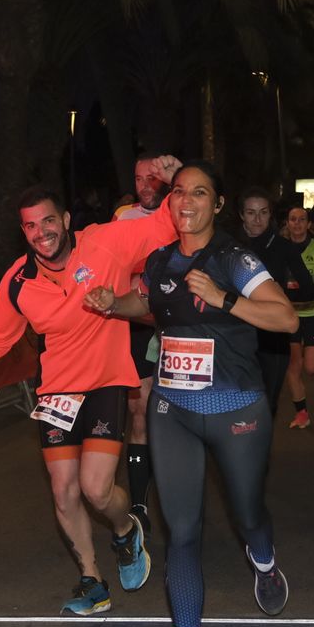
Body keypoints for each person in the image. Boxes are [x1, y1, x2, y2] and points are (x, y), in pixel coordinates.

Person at [0, 176, 181, 614]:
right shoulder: (18, 281)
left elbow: (167, 222)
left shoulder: (106, 243)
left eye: (49, 221)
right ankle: (91, 579)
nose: (42, 233)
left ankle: (124, 529)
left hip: (106, 382)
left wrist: (174, 178)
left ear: (67, 220)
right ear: (24, 233)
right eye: (31, 226)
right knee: (63, 492)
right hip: (58, 392)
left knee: (97, 490)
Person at [87, 161, 299, 627]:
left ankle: (264, 559)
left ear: (217, 203)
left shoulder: (233, 258)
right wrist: (115, 305)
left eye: (200, 193)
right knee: (183, 531)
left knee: (248, 513)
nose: (187, 201)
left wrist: (226, 296)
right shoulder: (160, 260)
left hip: (237, 410)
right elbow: (150, 305)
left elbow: (286, 318)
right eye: (179, 192)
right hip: (174, 410)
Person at [111, 153, 183, 531]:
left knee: (173, 416)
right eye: (139, 179)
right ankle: (139, 504)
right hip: (138, 323)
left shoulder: (181, 210)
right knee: (139, 414)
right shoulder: (123, 218)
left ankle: (178, 499)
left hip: (179, 328)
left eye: (152, 178)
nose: (145, 186)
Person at [237, 188, 301, 419]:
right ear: (241, 215)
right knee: (238, 407)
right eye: (251, 213)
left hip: (272, 339)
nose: (257, 219)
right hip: (237, 338)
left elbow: (307, 288)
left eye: (263, 213)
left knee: (267, 406)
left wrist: (281, 299)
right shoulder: (228, 245)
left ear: (270, 215)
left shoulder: (283, 246)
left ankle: (259, 452)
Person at [281, 204, 314, 429]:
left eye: (302, 219)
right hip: (289, 314)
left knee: (310, 369)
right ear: (287, 223)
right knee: (293, 364)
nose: (297, 224)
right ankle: (302, 413)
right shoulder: (279, 249)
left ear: (309, 224)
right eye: (293, 219)